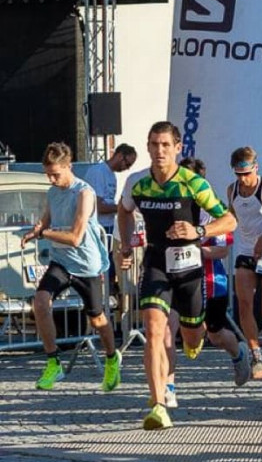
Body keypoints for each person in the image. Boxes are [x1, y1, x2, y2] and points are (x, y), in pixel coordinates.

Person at [117, 121, 240, 430]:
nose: (159, 151)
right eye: (154, 145)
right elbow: (123, 211)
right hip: (157, 262)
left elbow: (229, 221)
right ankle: (158, 405)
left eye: (165, 145)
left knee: (192, 336)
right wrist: (127, 247)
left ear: (177, 148)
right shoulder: (137, 182)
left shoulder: (192, 183)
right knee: (154, 330)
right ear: (147, 147)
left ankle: (195, 339)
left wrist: (198, 230)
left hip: (188, 269)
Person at [24, 142, 117, 391]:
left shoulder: (84, 194)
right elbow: (46, 218)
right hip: (61, 261)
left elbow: (76, 237)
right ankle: (53, 363)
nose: (52, 179)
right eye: (48, 175)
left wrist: (46, 233)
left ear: (69, 167)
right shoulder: (52, 192)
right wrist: (36, 231)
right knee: (41, 302)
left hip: (86, 264)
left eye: (56, 174)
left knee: (97, 320)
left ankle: (111, 358)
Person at [162, 157, 252, 407]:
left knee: (215, 334)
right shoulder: (169, 206)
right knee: (166, 330)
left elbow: (221, 251)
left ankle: (238, 352)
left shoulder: (212, 209)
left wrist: (194, 247)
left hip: (210, 281)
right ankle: (168, 387)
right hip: (176, 280)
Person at [226, 147, 262, 379]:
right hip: (246, 252)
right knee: (244, 304)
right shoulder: (232, 190)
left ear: (256, 168)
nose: (243, 179)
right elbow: (233, 218)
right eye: (238, 174)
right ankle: (256, 356)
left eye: (247, 173)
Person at [83, 143, 136, 234]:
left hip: (108, 225)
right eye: (127, 164)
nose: (127, 168)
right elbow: (96, 206)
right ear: (120, 156)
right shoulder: (98, 172)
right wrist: (121, 208)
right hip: (96, 227)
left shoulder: (112, 175)